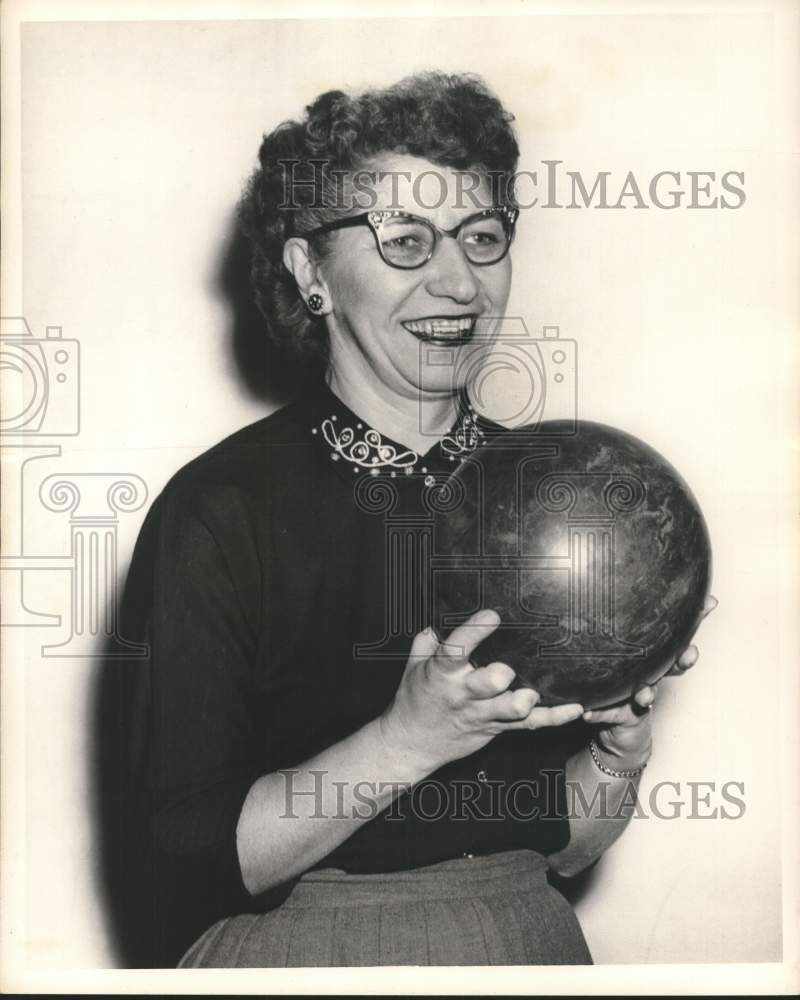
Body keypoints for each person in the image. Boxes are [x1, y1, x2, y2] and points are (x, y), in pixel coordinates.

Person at [118, 70, 713, 968]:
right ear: (309, 269)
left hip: (528, 942)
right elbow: (180, 863)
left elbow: (563, 845)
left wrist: (620, 748)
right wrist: (410, 740)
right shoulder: (221, 509)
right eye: (406, 241)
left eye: (482, 237)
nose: (458, 281)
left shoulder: (566, 493)